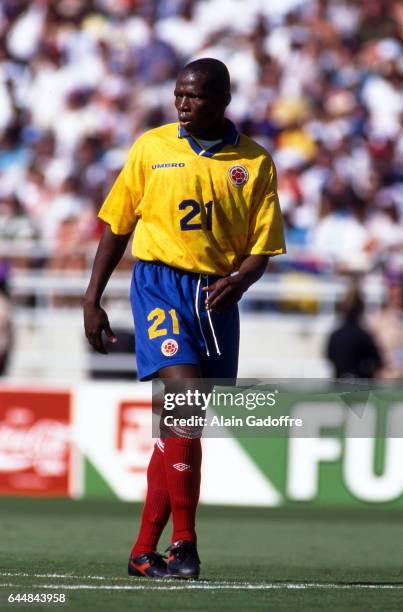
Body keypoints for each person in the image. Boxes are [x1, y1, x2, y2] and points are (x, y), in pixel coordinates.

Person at [84, 58, 285, 580]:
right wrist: (92, 297)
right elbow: (117, 224)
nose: (181, 105)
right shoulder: (152, 147)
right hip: (159, 286)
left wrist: (241, 280)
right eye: (177, 95)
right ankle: (186, 544)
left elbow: (261, 249)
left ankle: (142, 552)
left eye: (192, 97)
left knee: (182, 425)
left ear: (223, 100)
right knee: (185, 403)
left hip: (216, 299)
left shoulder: (255, 163)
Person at [326, 288, 382, 379]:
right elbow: (377, 361)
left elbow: (329, 357)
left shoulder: (335, 335)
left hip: (338, 386)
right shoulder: (363, 336)